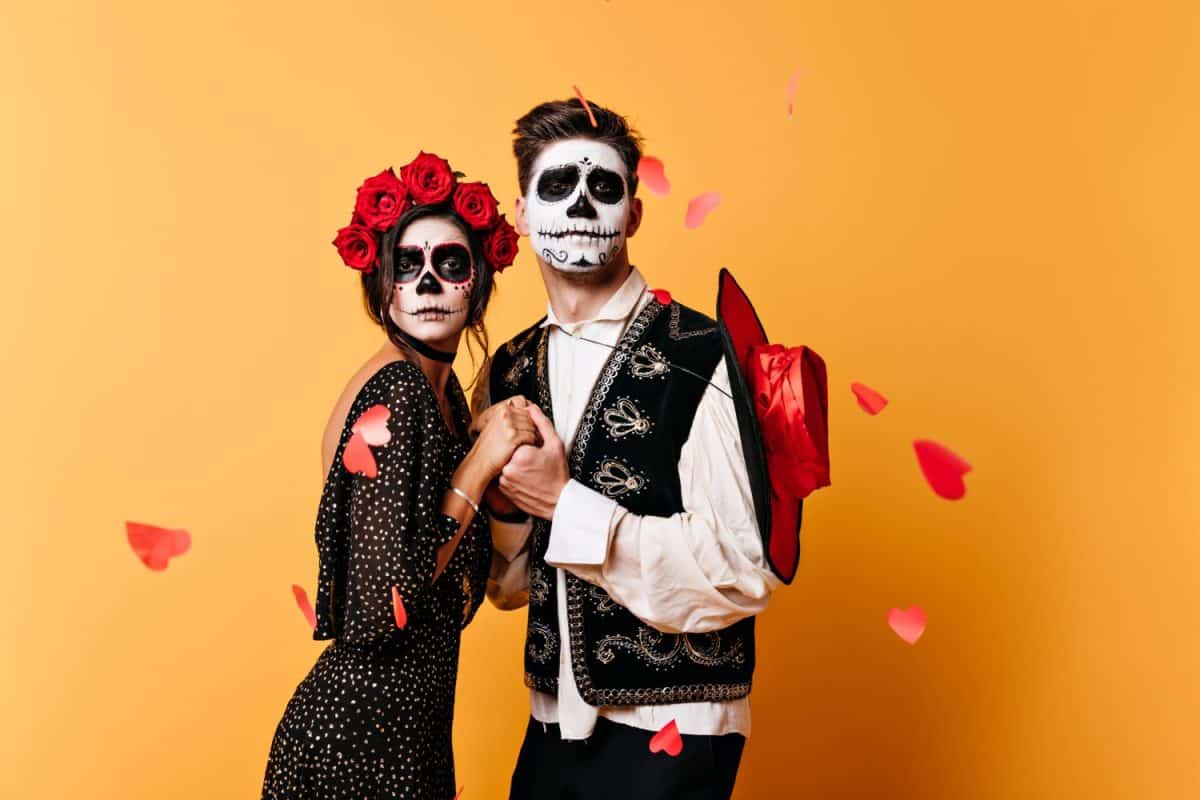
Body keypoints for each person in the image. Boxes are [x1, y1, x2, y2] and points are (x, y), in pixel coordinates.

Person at [476, 99, 780, 800]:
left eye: (605, 188)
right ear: (521, 212)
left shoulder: (702, 355)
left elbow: (743, 568)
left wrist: (564, 502)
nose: (581, 206)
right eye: (557, 186)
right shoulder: (507, 370)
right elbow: (509, 587)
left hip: (677, 727)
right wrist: (510, 508)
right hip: (550, 724)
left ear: (635, 214)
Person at [261, 152, 531, 799]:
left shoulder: (444, 400)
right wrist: (478, 466)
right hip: (360, 742)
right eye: (407, 265)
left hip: (405, 737)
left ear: (480, 283)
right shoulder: (399, 391)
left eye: (451, 263)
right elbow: (382, 609)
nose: (429, 283)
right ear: (381, 285)